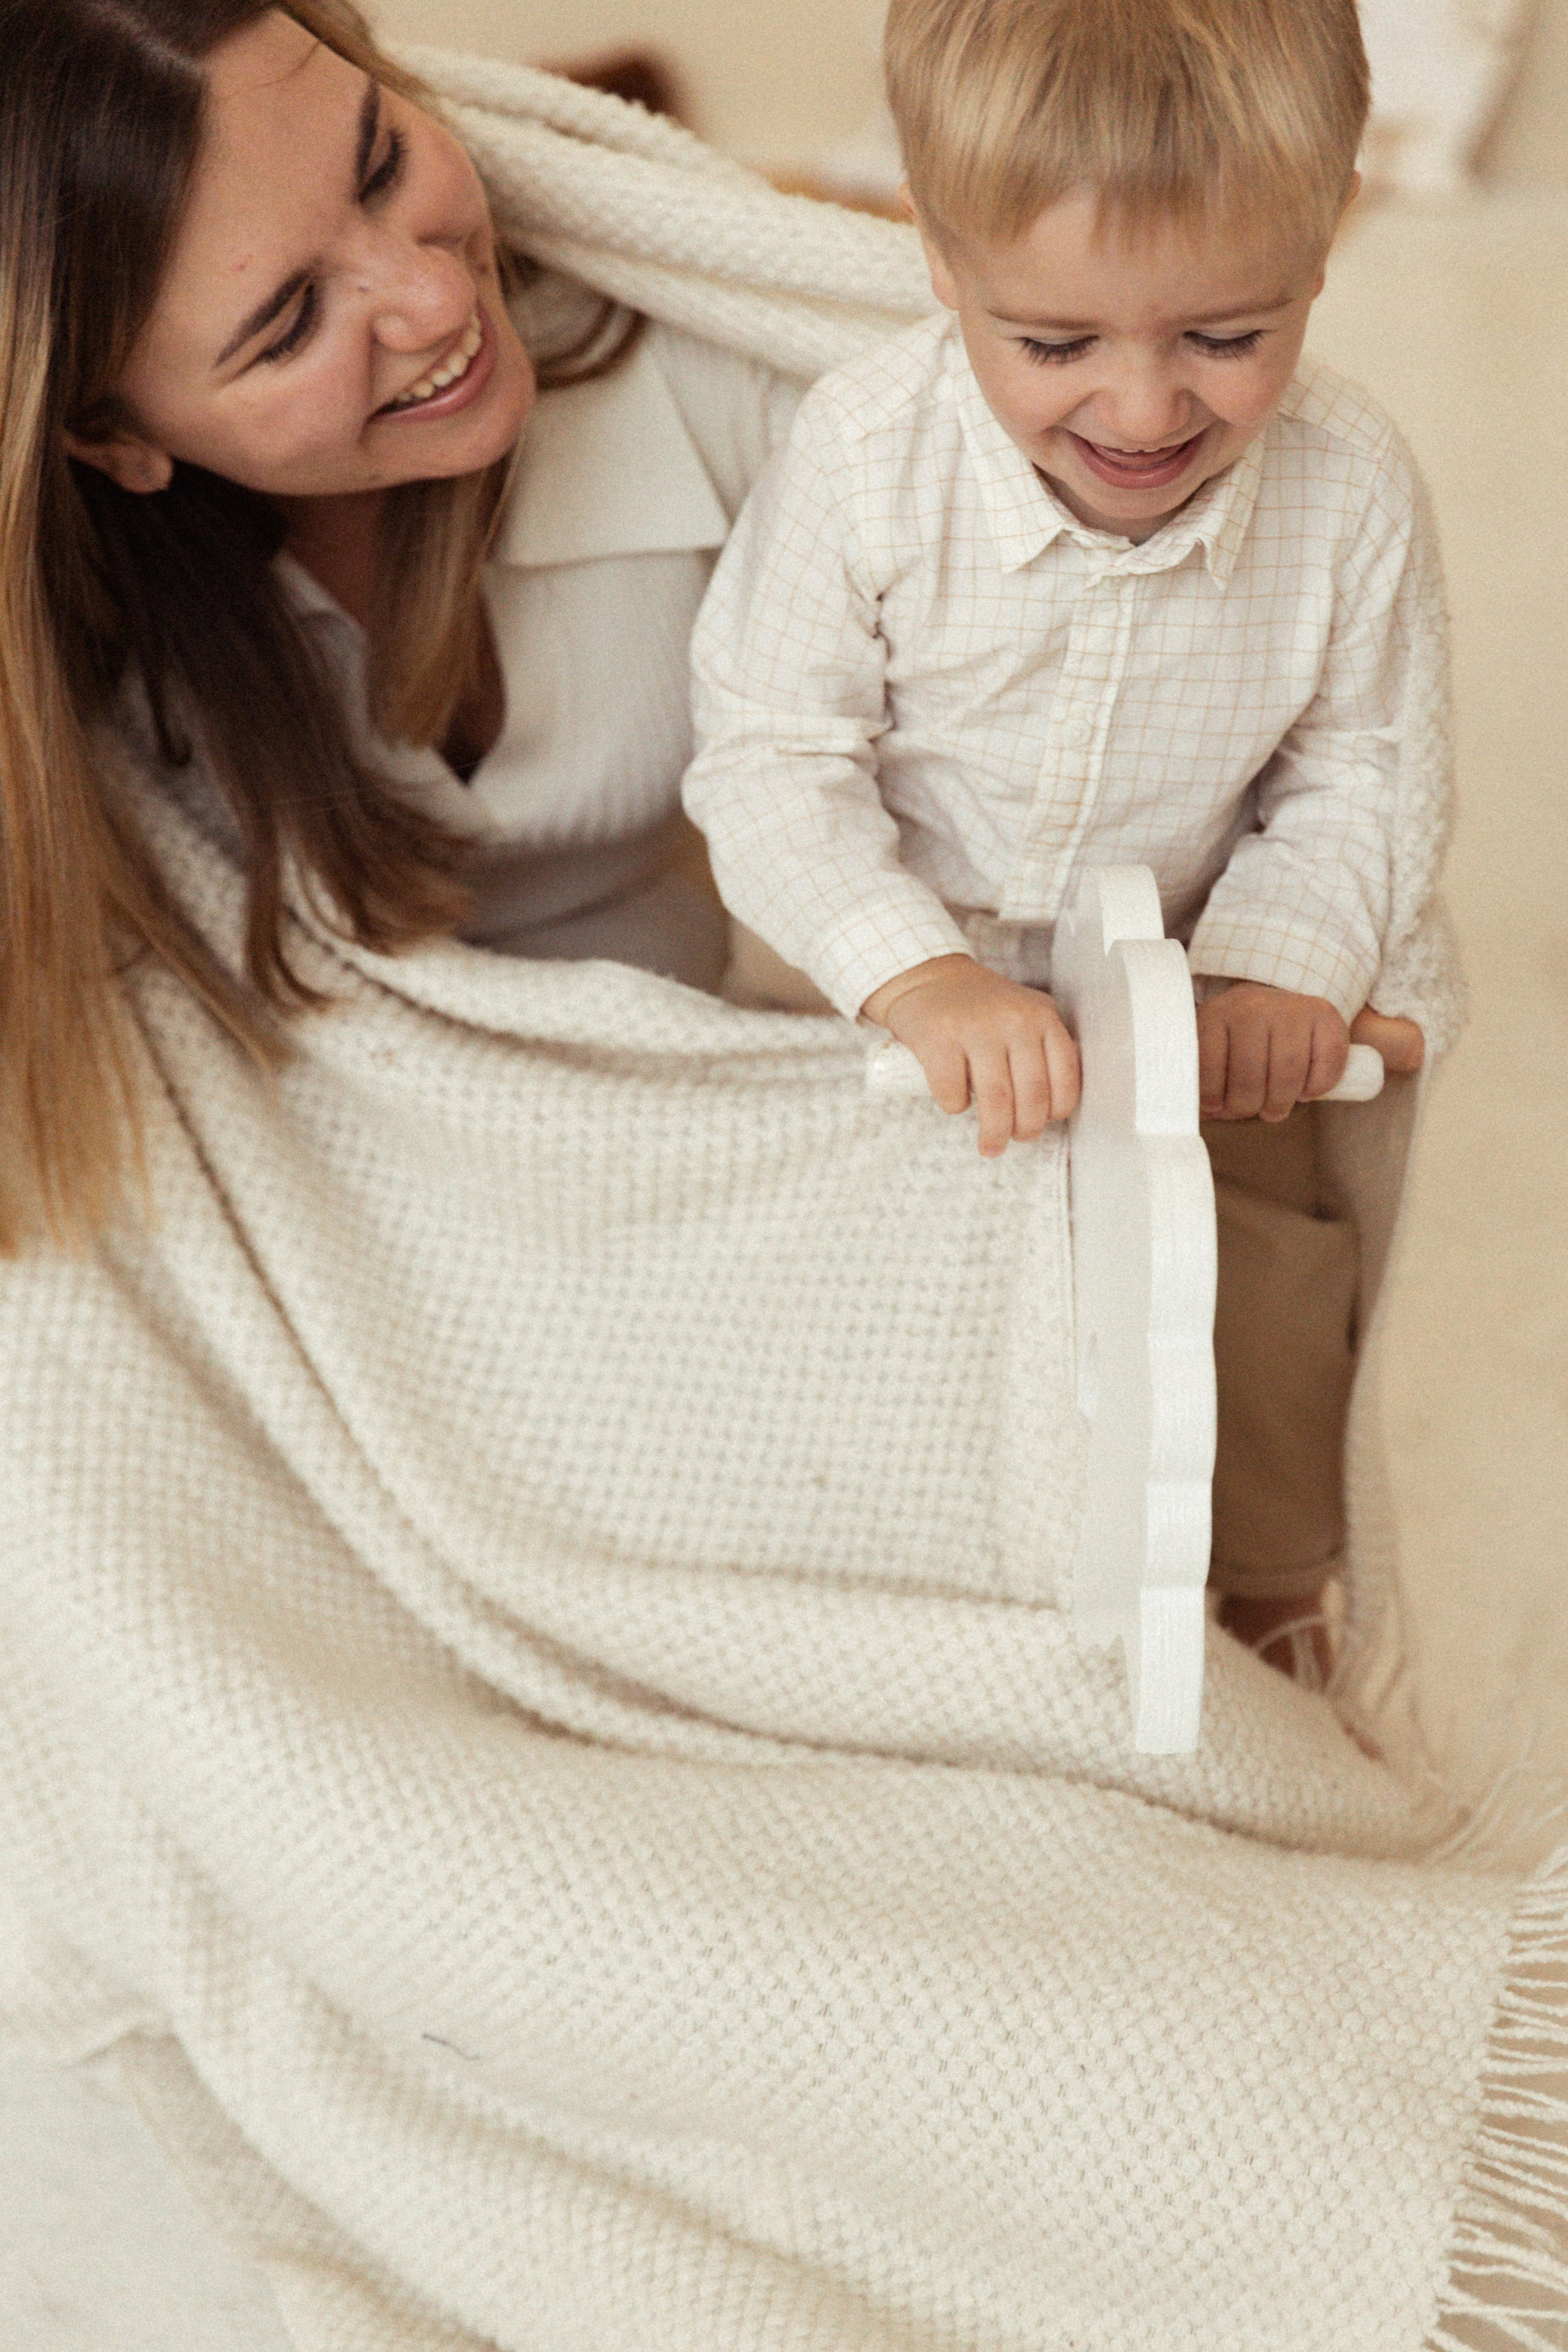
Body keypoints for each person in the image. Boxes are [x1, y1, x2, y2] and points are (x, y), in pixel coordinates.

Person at [682, 0, 1434, 1670]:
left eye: (1228, 338)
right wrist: (919, 978)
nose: (1147, 407)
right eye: (1057, 344)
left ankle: (1271, 1602)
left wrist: (1275, 970)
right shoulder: (868, 457)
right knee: (871, 1289)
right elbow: (768, 762)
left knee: (1267, 1262)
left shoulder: (1354, 489)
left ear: (1325, 255)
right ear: (943, 269)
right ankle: (914, 1593)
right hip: (899, 985)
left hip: (1187, 986)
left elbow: (1361, 777)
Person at [0, 0, 799, 1258]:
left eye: (379, 164)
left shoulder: (718, 388)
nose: (432, 300)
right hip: (406, 1206)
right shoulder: (104, 678)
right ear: (114, 441)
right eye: (288, 323)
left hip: (729, 1105)